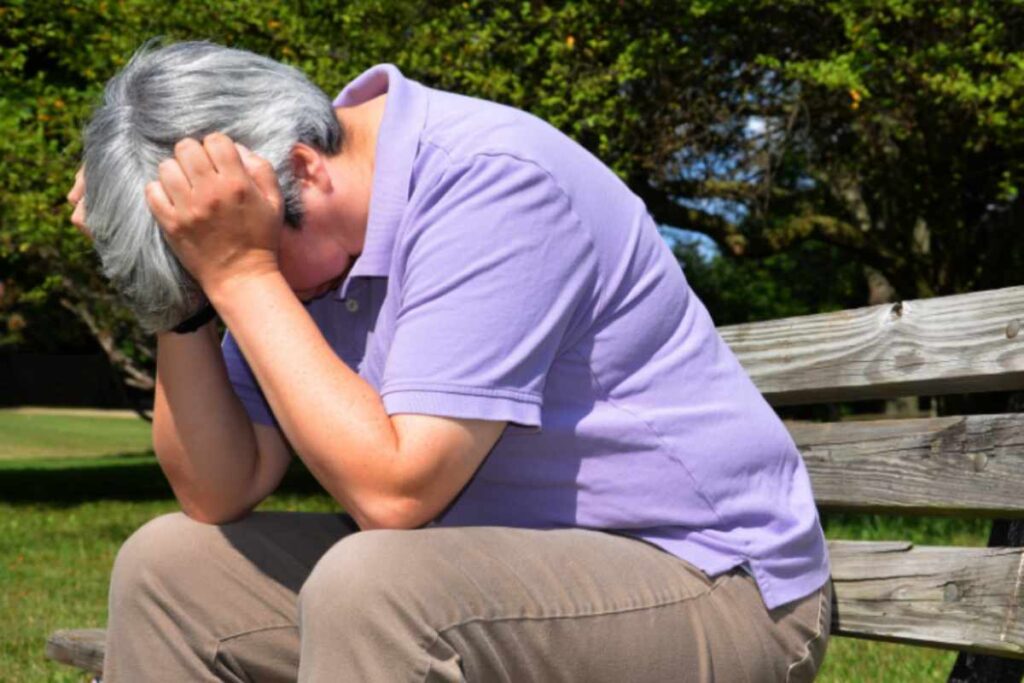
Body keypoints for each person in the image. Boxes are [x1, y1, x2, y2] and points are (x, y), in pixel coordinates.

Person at [69, 40, 832, 682]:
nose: (231, 284)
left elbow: (397, 493)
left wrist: (242, 273)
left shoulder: (492, 182)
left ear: (302, 169)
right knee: (167, 566)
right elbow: (217, 488)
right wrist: (176, 297)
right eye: (209, 270)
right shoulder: (289, 245)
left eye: (231, 256)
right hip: (485, 574)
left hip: (715, 585)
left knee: (373, 585)